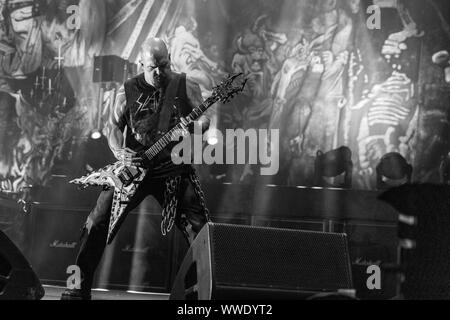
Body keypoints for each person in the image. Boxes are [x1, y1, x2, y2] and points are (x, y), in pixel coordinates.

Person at [61, 38, 211, 300]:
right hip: (134, 170)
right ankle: (76, 288)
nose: (159, 72)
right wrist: (120, 152)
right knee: (96, 222)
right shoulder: (127, 89)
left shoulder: (185, 84)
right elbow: (113, 128)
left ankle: (200, 296)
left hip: (173, 170)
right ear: (142, 63)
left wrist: (197, 127)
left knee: (199, 231)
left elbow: (205, 118)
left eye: (164, 65)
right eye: (153, 66)